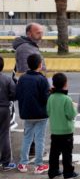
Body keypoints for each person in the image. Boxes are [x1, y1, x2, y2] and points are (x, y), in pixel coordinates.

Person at [12, 23, 46, 156]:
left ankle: (31, 151)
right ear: (29, 34)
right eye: (38, 32)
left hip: (33, 91)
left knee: (31, 126)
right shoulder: (26, 48)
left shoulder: (29, 46)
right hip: (33, 93)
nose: (41, 34)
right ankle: (34, 152)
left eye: (41, 32)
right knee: (34, 127)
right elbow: (28, 74)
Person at [16, 54, 50, 174]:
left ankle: (23, 163)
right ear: (40, 64)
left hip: (27, 114)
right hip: (41, 114)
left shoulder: (22, 78)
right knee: (40, 139)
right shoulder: (42, 79)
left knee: (27, 137)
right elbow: (46, 98)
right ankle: (39, 165)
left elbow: (17, 94)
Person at [47, 73, 78, 179]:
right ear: (65, 84)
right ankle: (68, 173)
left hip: (55, 130)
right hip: (66, 131)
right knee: (67, 153)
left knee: (54, 152)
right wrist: (75, 108)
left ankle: (53, 171)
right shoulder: (67, 99)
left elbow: (48, 111)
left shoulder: (50, 97)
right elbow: (71, 115)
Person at [0, 56, 16, 171]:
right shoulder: (7, 79)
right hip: (3, 109)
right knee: (4, 134)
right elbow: (14, 95)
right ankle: (6, 163)